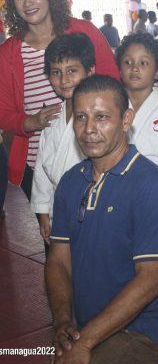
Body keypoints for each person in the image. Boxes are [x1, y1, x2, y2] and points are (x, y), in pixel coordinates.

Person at [45, 74, 158, 364]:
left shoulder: (152, 186)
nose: (89, 129)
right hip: (85, 326)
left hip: (138, 333)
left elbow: (150, 281)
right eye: (81, 117)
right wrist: (63, 321)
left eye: (102, 117)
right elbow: (58, 261)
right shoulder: (71, 181)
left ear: (126, 120)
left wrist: (85, 342)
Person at [0, 0, 119, 203]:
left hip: (94, 153)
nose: (28, 2)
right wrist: (30, 122)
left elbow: (114, 84)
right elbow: (3, 112)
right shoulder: (8, 53)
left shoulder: (84, 31)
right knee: (49, 226)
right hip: (38, 165)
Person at [116, 33, 158, 331]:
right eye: (128, 62)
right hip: (118, 199)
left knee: (155, 268)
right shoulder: (113, 105)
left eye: (144, 63)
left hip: (155, 203)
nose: (135, 68)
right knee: (122, 265)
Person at [30, 33, 95, 246]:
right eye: (56, 72)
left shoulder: (100, 117)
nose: (64, 80)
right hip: (57, 212)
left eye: (72, 71)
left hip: (94, 212)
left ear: (90, 71)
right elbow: (41, 171)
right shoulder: (53, 117)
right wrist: (42, 213)